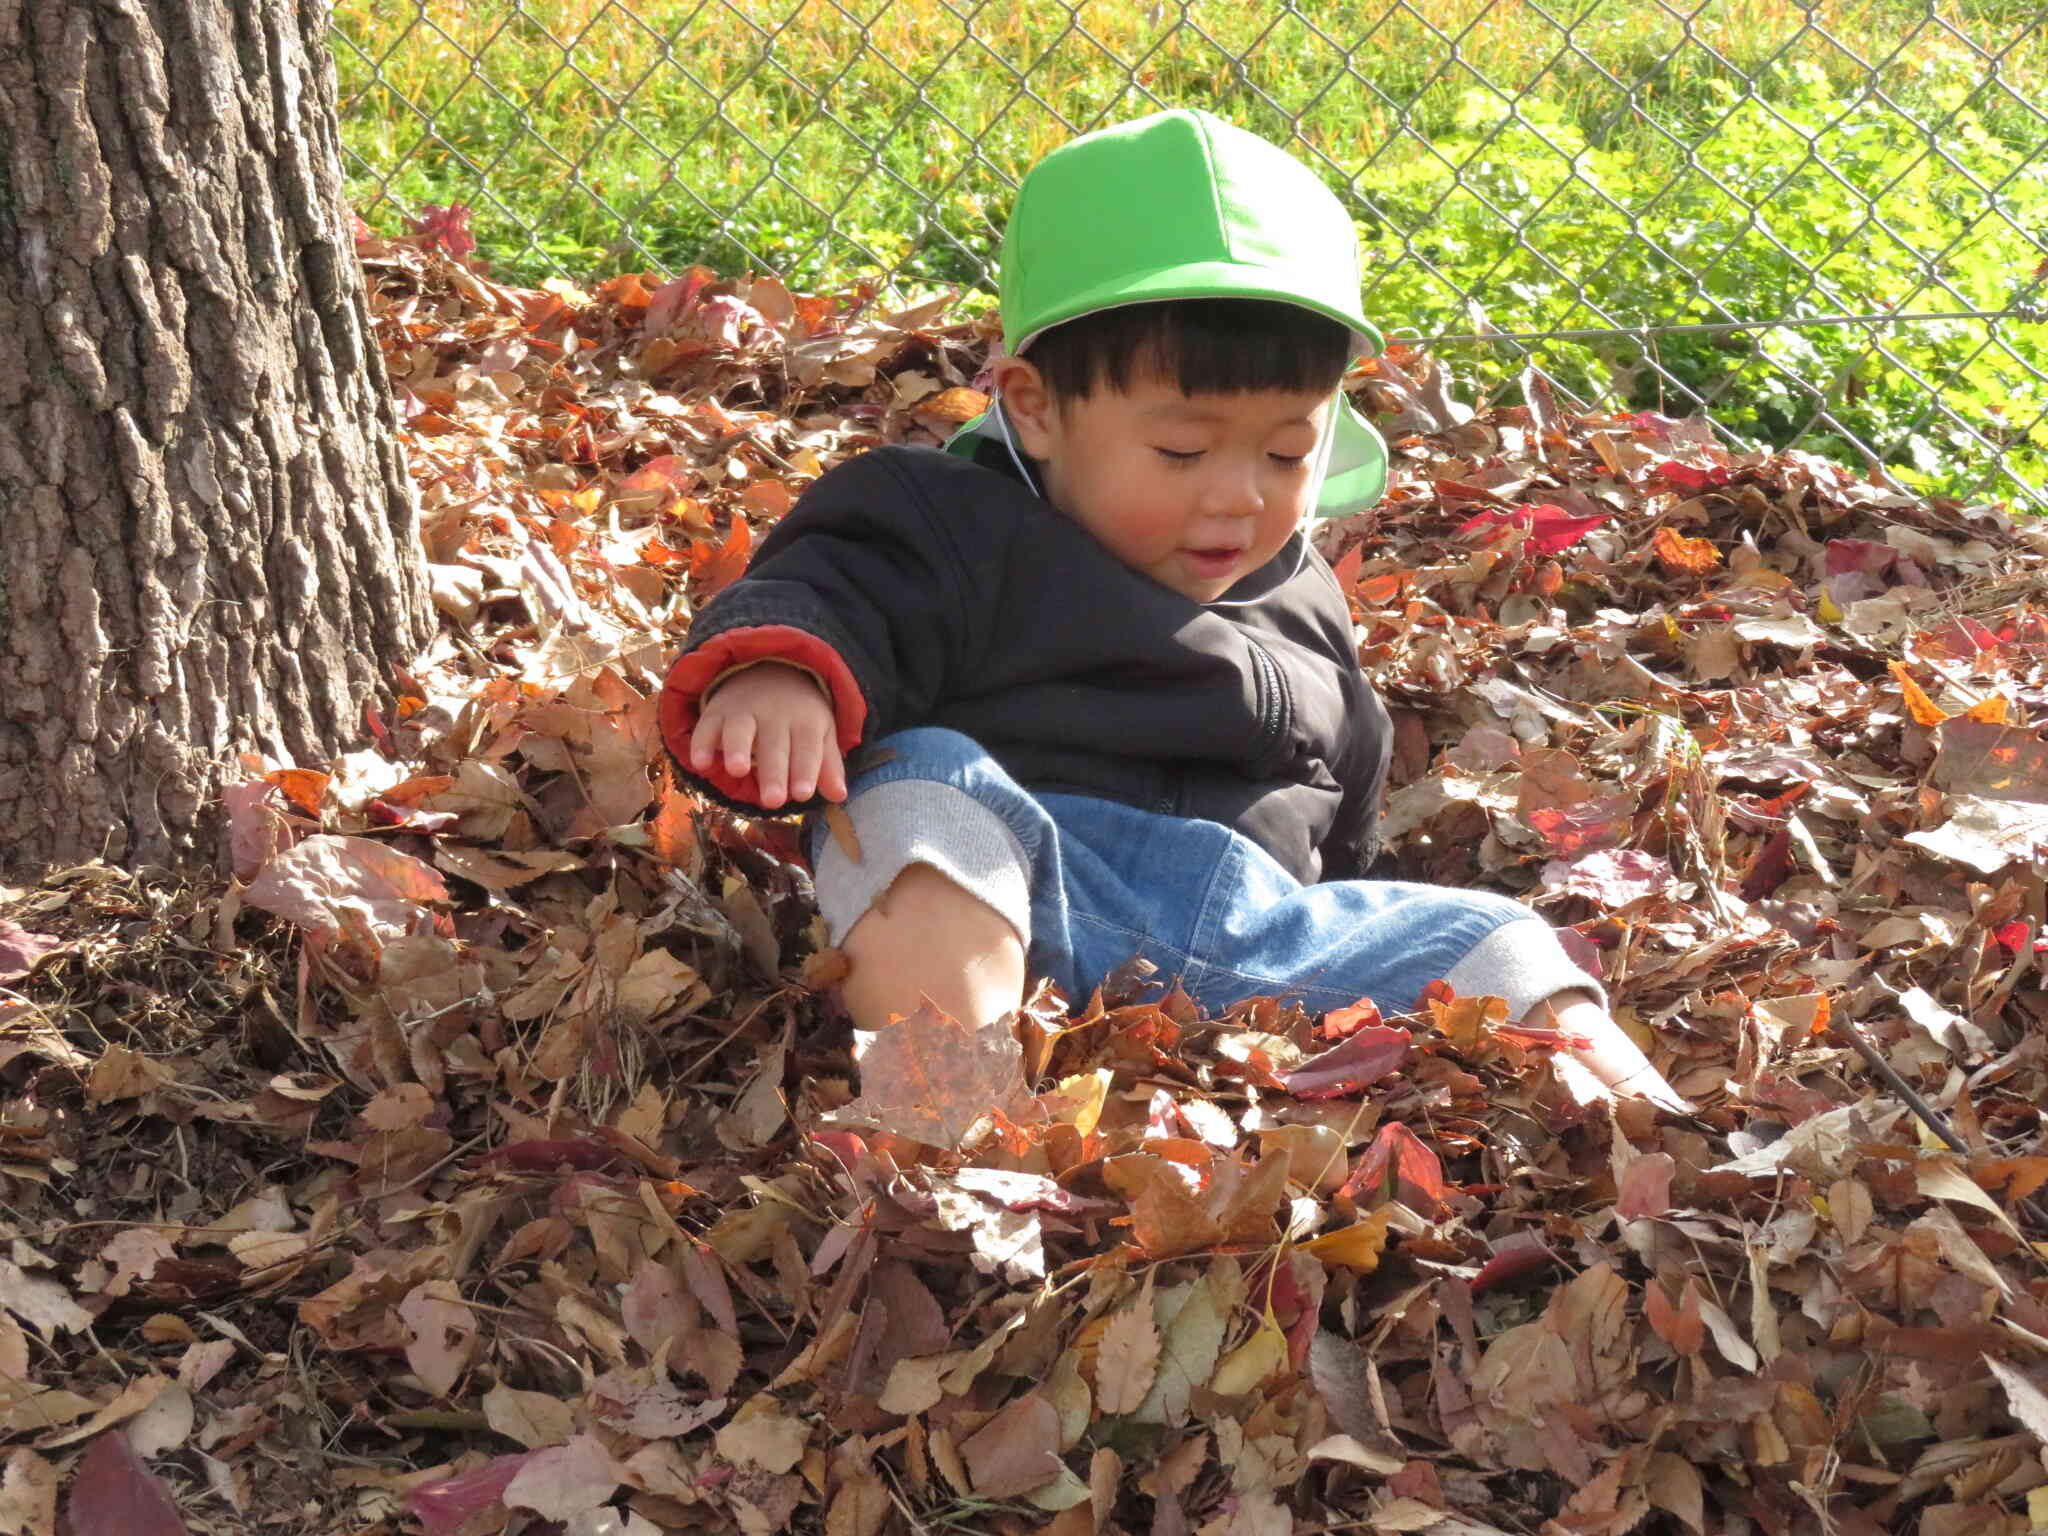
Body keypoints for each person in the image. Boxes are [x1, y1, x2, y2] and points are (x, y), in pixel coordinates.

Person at [657, 108, 1686, 1110]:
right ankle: (954, 1132)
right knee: (919, 792)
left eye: (1286, 451)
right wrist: (777, 672)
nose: (1239, 495)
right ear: (1034, 407)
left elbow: (1348, 795)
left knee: (1495, 938)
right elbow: (835, 585)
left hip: (1258, 945)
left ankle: (1657, 1139)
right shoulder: (947, 522)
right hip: (1027, 889)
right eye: (1183, 450)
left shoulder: (1302, 597)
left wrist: (1359, 887)